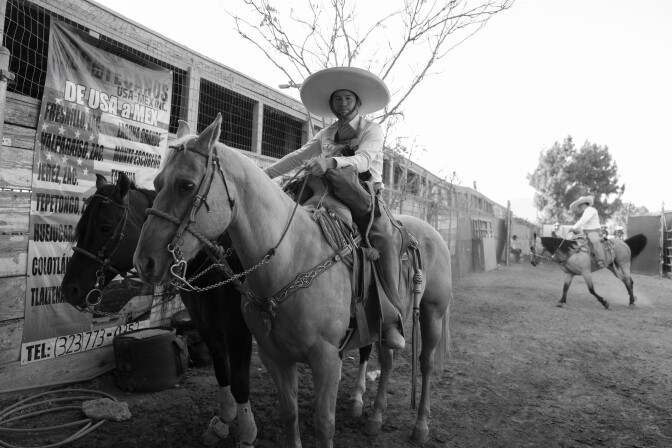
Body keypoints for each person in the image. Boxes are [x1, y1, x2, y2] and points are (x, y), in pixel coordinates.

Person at [263, 67, 405, 350]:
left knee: (383, 239)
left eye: (347, 99)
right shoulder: (326, 132)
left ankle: (391, 320)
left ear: (357, 102)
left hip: (364, 196)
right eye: (337, 99)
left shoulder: (372, 129)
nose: (342, 104)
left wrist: (330, 162)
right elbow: (297, 156)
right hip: (325, 191)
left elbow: (364, 160)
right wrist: (262, 175)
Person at [569, 195, 606, 268]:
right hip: (585, 232)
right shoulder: (587, 211)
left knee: (595, 241)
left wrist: (573, 228)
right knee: (572, 240)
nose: (579, 207)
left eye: (579, 205)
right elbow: (582, 223)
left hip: (593, 231)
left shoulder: (591, 210)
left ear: (583, 204)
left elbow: (582, 221)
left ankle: (601, 260)